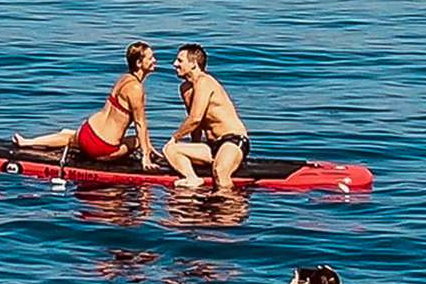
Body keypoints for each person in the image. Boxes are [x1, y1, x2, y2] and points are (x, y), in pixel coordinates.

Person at [15, 41, 158, 169]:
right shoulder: (136, 89)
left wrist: (148, 145)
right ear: (139, 63)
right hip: (103, 147)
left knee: (68, 135)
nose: (154, 60)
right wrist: (146, 155)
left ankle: (27, 142)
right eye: (150, 58)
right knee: (137, 141)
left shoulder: (124, 79)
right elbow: (140, 124)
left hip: (87, 131)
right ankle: (142, 155)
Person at [162, 43, 250, 190]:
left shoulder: (205, 82)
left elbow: (195, 119)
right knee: (170, 150)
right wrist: (194, 145)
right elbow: (195, 125)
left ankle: (230, 203)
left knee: (219, 172)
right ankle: (192, 178)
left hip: (232, 140)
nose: (175, 64)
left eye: (180, 61)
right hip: (211, 146)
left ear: (193, 64)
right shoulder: (185, 89)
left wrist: (174, 137)